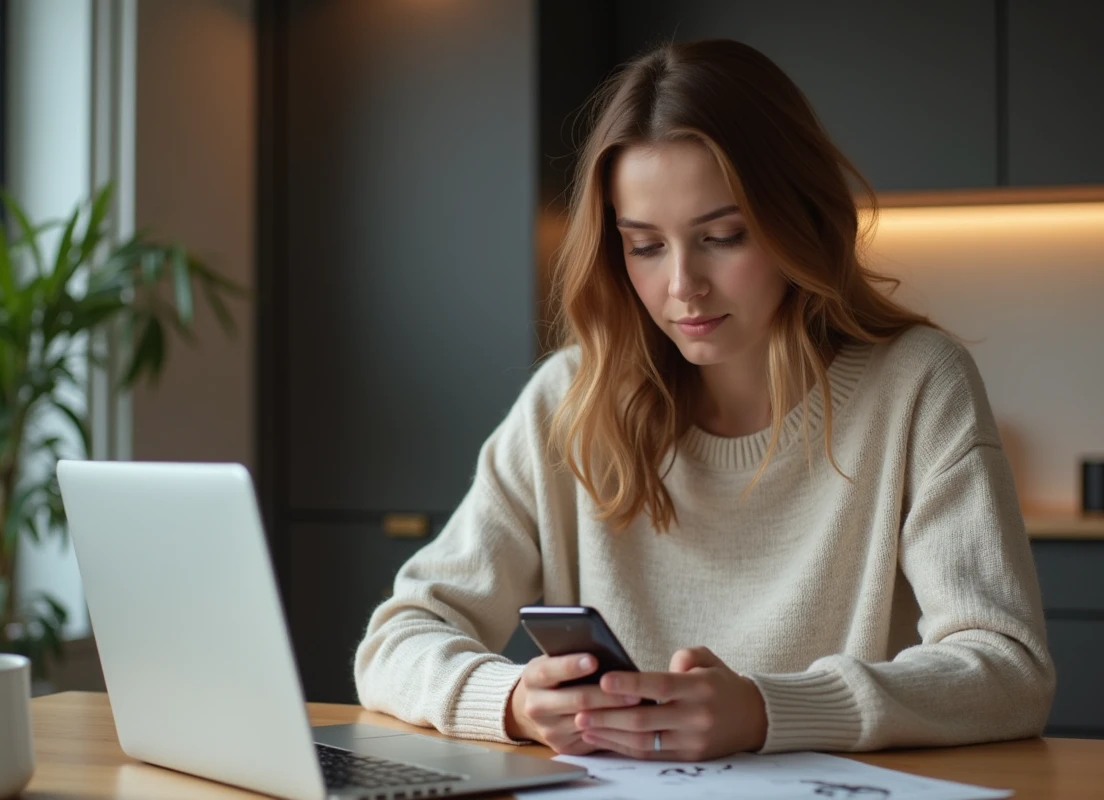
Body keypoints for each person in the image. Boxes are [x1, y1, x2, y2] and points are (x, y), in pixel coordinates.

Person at [355, 38, 1055, 761]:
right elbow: (397, 637)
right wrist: (510, 702)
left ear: (798, 219)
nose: (683, 285)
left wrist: (767, 712)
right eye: (645, 246)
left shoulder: (917, 385)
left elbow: (1008, 669)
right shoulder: (569, 399)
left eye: (722, 236)